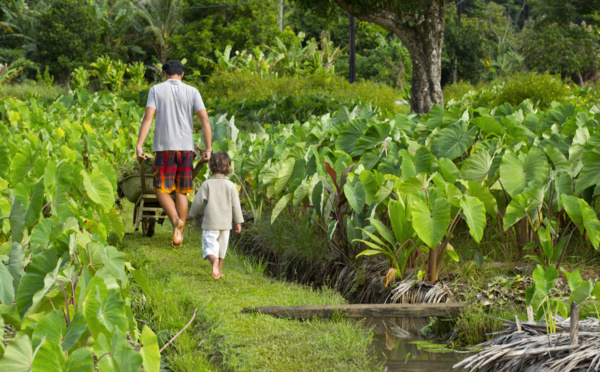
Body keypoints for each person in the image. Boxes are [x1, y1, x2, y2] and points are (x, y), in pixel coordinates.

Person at [136, 60, 212, 248]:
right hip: (186, 148)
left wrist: (139, 145)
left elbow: (148, 118)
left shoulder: (156, 90)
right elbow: (205, 120)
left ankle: (176, 220)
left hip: (164, 147)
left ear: (164, 73)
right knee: (182, 190)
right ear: (182, 74)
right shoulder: (192, 91)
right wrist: (208, 149)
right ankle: (179, 232)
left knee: (161, 189)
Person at [187, 152, 243, 279]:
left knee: (209, 246)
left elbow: (197, 202)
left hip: (211, 223)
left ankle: (214, 262)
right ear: (228, 167)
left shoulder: (207, 184)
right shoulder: (231, 186)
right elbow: (236, 206)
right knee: (222, 248)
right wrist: (238, 222)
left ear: (211, 167)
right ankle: (219, 271)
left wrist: (191, 214)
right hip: (226, 224)